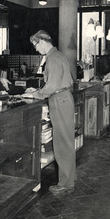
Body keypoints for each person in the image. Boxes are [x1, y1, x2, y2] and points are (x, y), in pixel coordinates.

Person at [27, 30, 76, 195]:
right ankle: (68, 181)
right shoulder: (58, 55)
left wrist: (36, 94)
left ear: (41, 41)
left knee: (62, 144)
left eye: (35, 45)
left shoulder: (52, 58)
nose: (36, 49)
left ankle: (65, 184)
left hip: (59, 99)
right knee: (65, 142)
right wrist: (41, 90)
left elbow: (53, 86)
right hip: (62, 98)